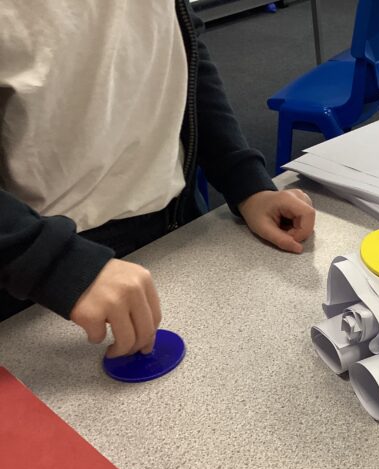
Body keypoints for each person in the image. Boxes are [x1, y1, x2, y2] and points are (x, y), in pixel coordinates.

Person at [0, 0, 315, 358]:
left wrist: (246, 183)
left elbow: (178, 47)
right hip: (45, 272)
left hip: (176, 220)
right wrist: (53, 264)